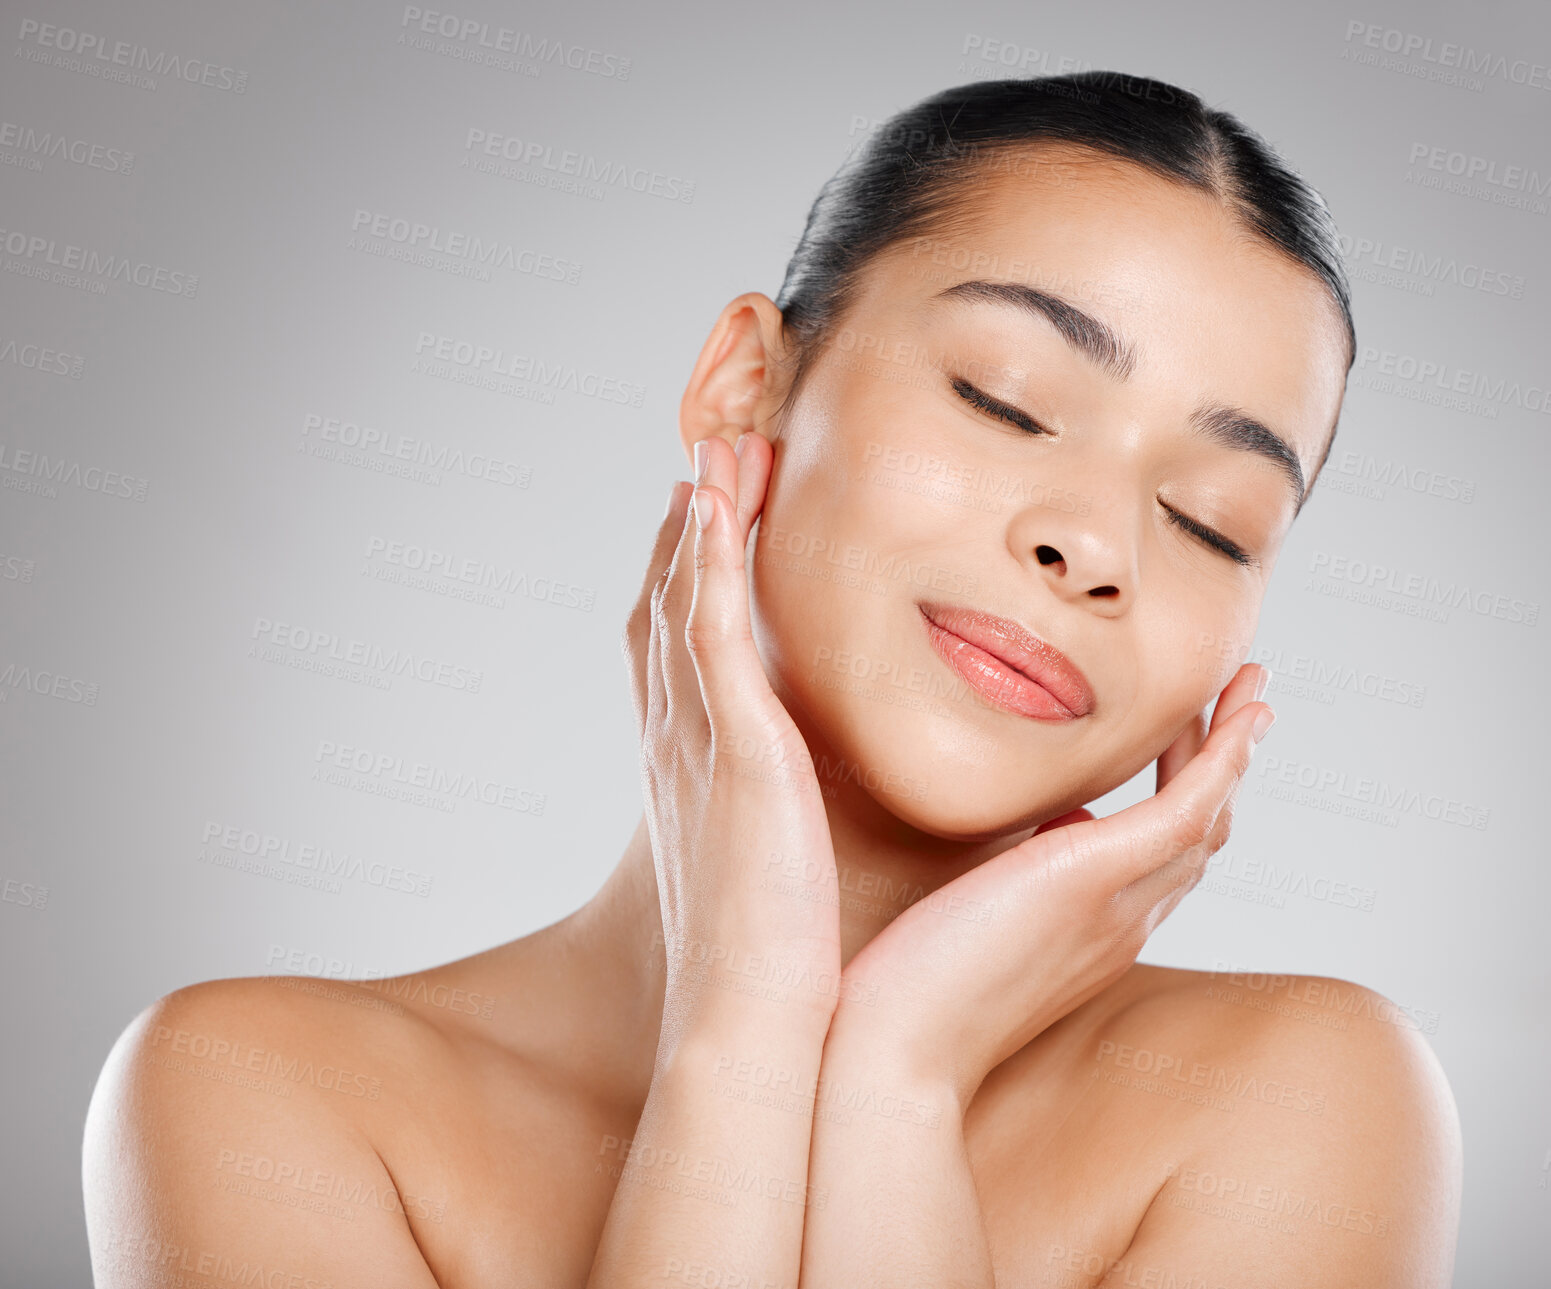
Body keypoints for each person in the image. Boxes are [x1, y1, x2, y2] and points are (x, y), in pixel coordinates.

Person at [83, 70, 1461, 1287]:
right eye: (1004, 396)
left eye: (1214, 518)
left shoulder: (1306, 1105)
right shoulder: (261, 1094)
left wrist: (894, 1083)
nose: (1094, 546)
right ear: (747, 386)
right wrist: (742, 1026)